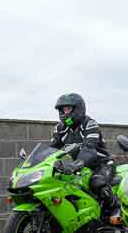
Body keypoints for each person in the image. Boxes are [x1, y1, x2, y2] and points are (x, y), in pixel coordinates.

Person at [49, 92, 121, 221]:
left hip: (101, 164)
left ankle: (116, 207)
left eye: (67, 109)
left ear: (78, 109)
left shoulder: (90, 124)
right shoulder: (60, 128)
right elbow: (52, 149)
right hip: (78, 165)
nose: (64, 113)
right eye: (62, 109)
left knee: (96, 182)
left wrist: (77, 163)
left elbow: (89, 148)